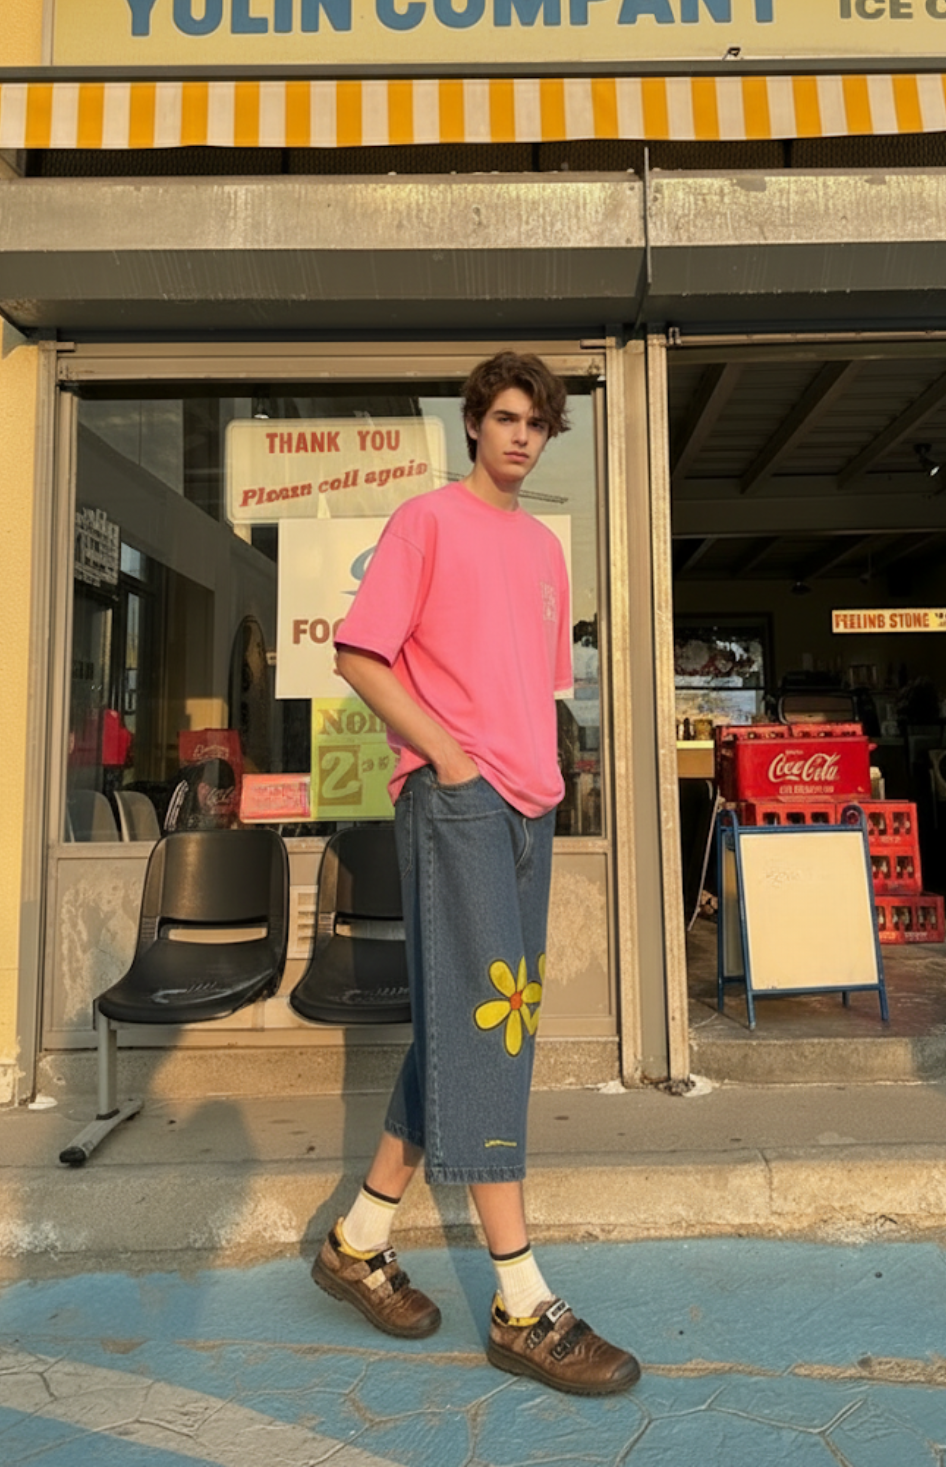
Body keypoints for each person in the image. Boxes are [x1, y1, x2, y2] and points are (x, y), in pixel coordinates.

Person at [312, 352, 640, 1396]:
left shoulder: (544, 547)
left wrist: (546, 783)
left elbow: (536, 686)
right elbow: (359, 655)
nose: (521, 437)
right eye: (505, 418)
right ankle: (521, 1301)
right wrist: (449, 759)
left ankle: (358, 1240)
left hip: (528, 804)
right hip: (457, 800)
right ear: (473, 424)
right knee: (490, 1026)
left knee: (484, 1021)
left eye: (536, 424)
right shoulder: (426, 523)